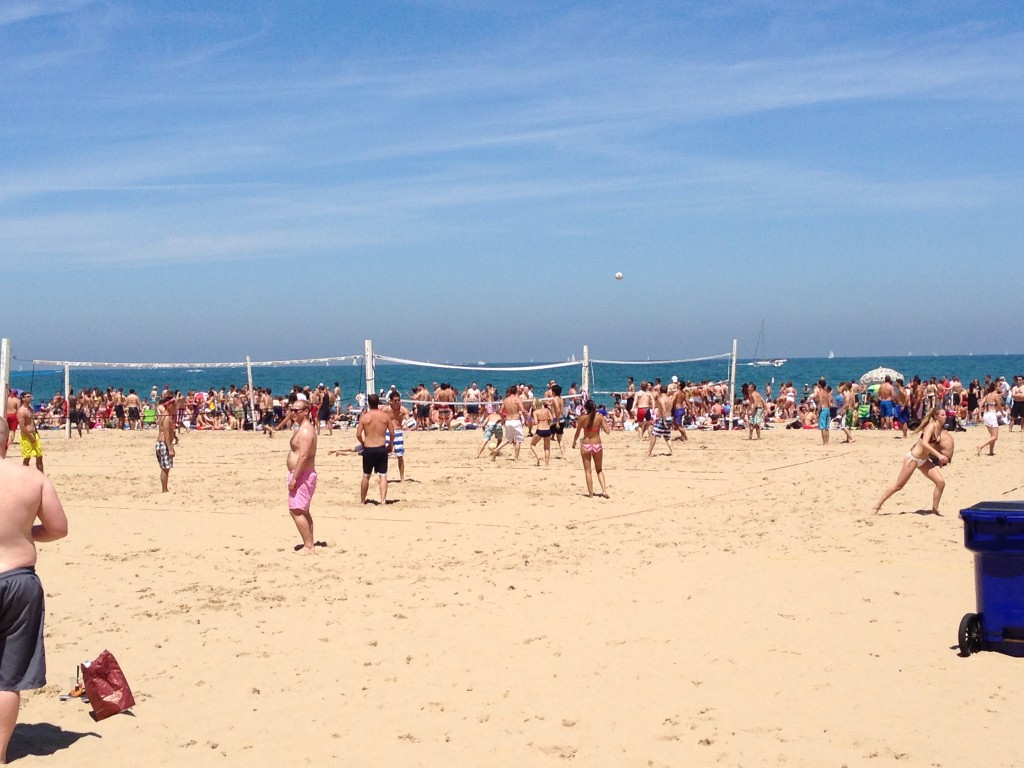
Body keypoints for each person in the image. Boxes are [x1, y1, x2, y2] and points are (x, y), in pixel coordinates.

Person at [0, 446, 69, 764]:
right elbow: (58, 528)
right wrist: (24, 531)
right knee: (8, 678)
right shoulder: (32, 479)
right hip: (18, 579)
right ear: (8, 439)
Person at [874, 407, 953, 515]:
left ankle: (934, 510)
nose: (945, 417)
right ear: (936, 416)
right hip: (913, 459)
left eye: (945, 415)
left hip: (924, 460)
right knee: (898, 486)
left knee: (940, 482)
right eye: (942, 415)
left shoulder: (940, 428)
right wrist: (938, 455)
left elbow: (935, 445)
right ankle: (877, 506)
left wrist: (943, 458)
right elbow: (925, 443)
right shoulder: (931, 426)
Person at [285, 399, 318, 554]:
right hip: (300, 474)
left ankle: (308, 545)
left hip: (302, 474)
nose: (293, 412)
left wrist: (295, 478)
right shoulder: (300, 428)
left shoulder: (306, 430)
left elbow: (303, 456)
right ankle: (309, 542)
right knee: (302, 510)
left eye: (296, 410)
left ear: (306, 411)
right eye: (292, 409)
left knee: (296, 510)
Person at [356, 394, 394, 505]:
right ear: (378, 403)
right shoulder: (385, 416)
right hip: (381, 448)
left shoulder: (364, 417)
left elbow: (358, 434)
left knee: (366, 475)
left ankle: (362, 501)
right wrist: (390, 444)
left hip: (369, 448)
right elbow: (392, 433)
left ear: (368, 403)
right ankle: (383, 501)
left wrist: (363, 443)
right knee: (383, 475)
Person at [572, 399, 610, 498]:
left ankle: (591, 494)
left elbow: (577, 432)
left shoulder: (582, 418)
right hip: (597, 444)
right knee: (599, 470)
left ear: (585, 408)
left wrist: (574, 441)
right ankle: (604, 490)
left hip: (586, 445)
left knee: (588, 471)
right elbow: (607, 431)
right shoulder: (600, 418)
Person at [493, 386, 526, 460]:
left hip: (508, 420)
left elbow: (500, 411)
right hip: (515, 420)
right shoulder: (517, 399)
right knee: (518, 440)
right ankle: (516, 458)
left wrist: (503, 419)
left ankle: (497, 449)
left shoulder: (505, 400)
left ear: (510, 392)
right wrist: (526, 418)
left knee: (507, 439)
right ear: (516, 391)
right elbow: (523, 410)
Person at [384, 390, 409, 482]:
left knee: (400, 456)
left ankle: (402, 478)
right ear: (391, 401)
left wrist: (406, 424)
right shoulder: (386, 410)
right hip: (387, 432)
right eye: (395, 400)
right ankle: (384, 477)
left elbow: (408, 419)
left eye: (398, 400)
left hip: (398, 432)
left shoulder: (403, 410)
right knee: (384, 455)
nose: (397, 402)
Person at [16, 394, 43, 473]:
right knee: (27, 457)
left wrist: (36, 433)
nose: (30, 398)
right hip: (26, 436)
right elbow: (22, 426)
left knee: (39, 456)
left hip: (34, 434)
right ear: (23, 398)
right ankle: (25, 476)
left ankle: (42, 475)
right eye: (28, 397)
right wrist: (30, 437)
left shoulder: (30, 408)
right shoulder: (21, 411)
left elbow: (32, 422)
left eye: (30, 396)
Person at [976, 382, 1004, 456]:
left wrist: (980, 415)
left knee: (992, 435)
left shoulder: (987, 395)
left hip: (986, 415)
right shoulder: (996, 395)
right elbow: (999, 406)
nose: (1000, 387)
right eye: (999, 386)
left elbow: (980, 404)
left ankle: (991, 452)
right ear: (995, 387)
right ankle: (981, 446)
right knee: (995, 437)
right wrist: (1003, 413)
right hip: (992, 415)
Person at [156, 394, 176, 492]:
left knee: (164, 467)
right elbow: (166, 434)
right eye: (173, 405)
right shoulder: (167, 417)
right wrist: (170, 448)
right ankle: (164, 489)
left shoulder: (163, 415)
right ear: (168, 405)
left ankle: (165, 488)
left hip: (161, 443)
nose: (175, 407)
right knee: (166, 468)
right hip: (164, 443)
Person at [529, 399, 554, 466]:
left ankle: (538, 456)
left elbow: (536, 422)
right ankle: (547, 463)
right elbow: (551, 419)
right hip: (547, 429)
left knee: (532, 444)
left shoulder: (535, 412)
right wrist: (547, 420)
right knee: (547, 448)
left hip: (540, 429)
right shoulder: (547, 410)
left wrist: (533, 422)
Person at [813, 378, 832, 445]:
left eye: (818, 383)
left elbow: (820, 403)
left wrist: (818, 412)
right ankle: (827, 442)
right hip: (827, 409)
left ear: (820, 385)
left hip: (823, 409)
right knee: (827, 427)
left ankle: (824, 442)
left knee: (822, 427)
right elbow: (829, 404)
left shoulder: (820, 393)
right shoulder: (826, 393)